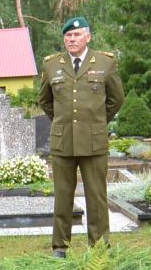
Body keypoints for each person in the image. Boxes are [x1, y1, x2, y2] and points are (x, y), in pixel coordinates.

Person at [36, 16, 124, 257]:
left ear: (88, 37)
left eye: (76, 35)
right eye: (67, 36)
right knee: (62, 197)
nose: (71, 39)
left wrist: (96, 121)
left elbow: (116, 99)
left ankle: (99, 247)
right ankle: (60, 247)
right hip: (63, 140)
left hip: (94, 140)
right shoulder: (52, 65)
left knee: (96, 196)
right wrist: (63, 121)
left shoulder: (105, 63)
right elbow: (45, 100)